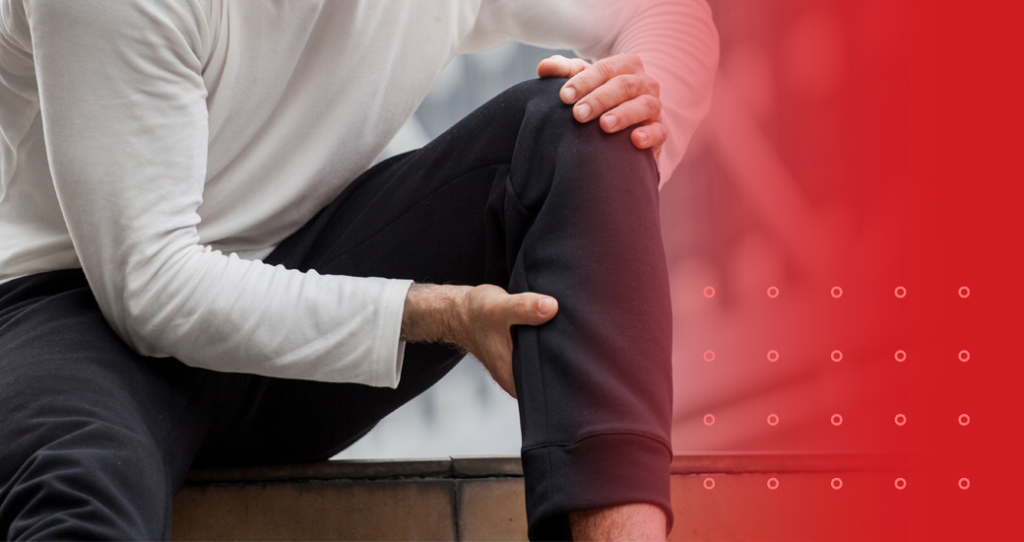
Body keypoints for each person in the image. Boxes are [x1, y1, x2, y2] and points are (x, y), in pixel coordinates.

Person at [0, 0, 718, 539]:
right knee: (82, 491)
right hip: (66, 310)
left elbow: (664, 11)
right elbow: (150, 288)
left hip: (293, 290)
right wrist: (434, 312)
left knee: (586, 118)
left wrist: (636, 112)